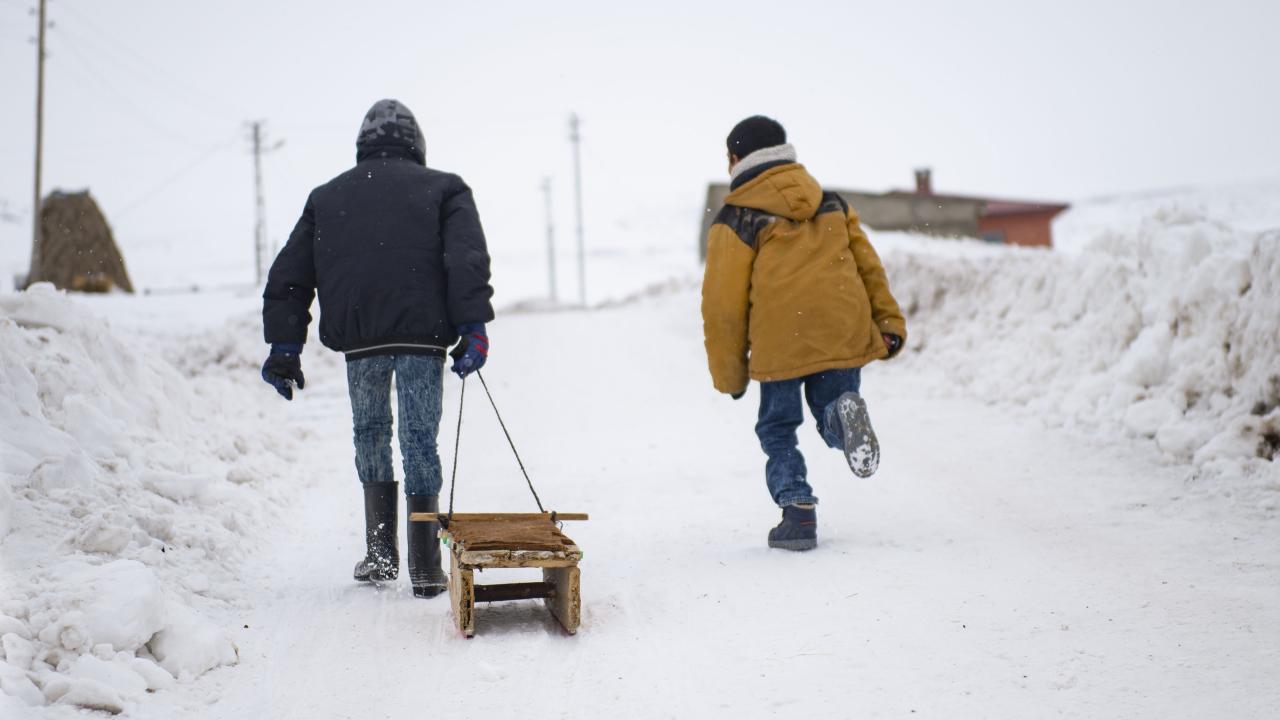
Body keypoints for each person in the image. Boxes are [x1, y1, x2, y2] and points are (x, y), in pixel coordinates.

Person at [260, 99, 494, 597]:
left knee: (369, 433)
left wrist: (285, 346)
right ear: (417, 142)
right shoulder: (444, 189)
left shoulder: (327, 197)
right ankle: (427, 568)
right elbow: (465, 258)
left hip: (361, 339)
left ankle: (382, 554)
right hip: (420, 337)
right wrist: (473, 327)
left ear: (363, 145)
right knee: (418, 439)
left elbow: (289, 277)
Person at [701, 115, 906, 552]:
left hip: (780, 339)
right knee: (829, 405)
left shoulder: (736, 217)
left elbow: (723, 306)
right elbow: (868, 266)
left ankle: (797, 511)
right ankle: (841, 415)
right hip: (841, 325)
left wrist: (730, 374)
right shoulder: (831, 202)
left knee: (777, 429)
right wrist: (888, 323)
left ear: (735, 159)